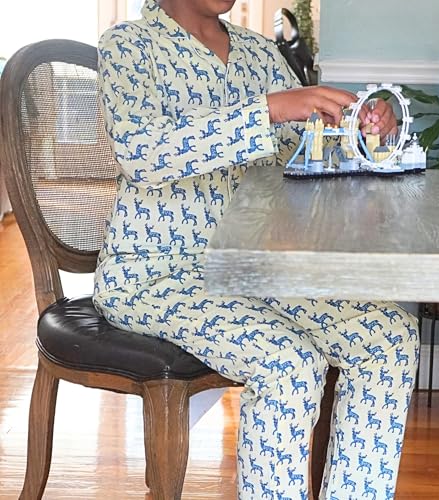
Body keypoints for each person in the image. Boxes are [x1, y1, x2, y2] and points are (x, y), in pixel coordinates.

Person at [93, 0, 417, 498]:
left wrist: (367, 133)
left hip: (257, 268)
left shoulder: (260, 54)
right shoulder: (129, 46)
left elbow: (305, 152)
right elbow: (142, 153)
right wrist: (268, 109)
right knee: (288, 364)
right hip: (156, 275)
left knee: (391, 338)